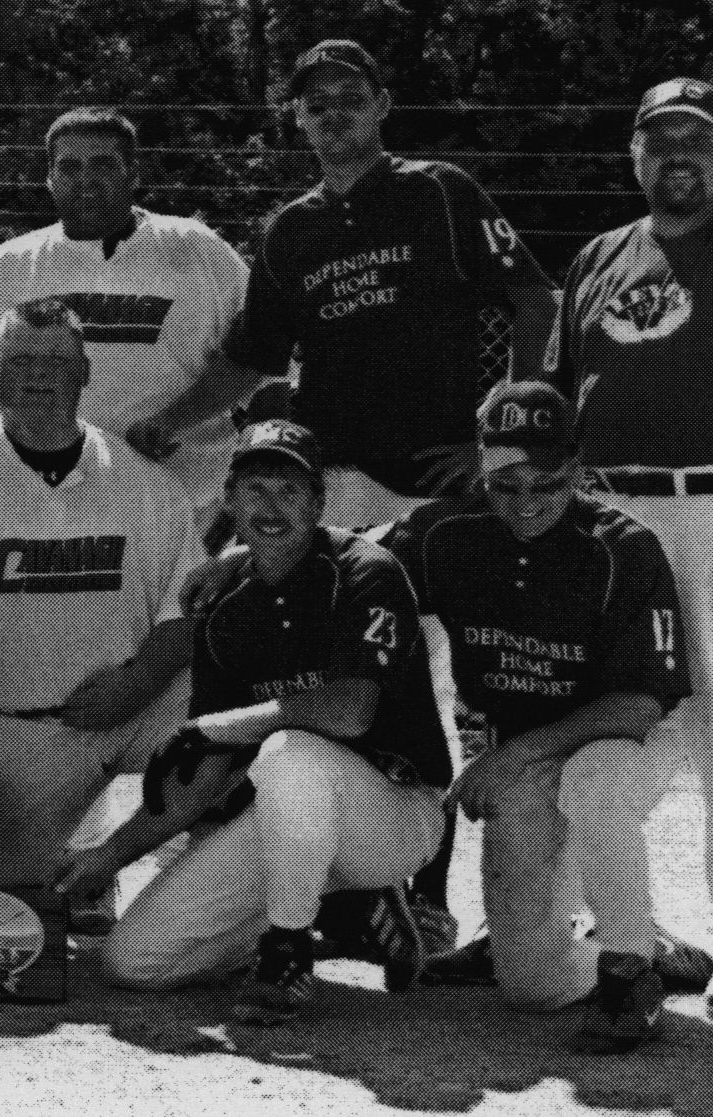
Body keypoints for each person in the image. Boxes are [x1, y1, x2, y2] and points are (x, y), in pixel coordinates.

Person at [220, 39, 560, 946]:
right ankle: (346, 896)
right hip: (327, 485)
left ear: (381, 104)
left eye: (348, 96)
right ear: (295, 118)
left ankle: (433, 898)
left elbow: (534, 301)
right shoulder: (288, 229)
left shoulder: (437, 191)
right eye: (314, 102)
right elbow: (254, 358)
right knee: (338, 685)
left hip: (425, 491)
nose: (332, 112)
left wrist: (497, 442)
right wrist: (158, 425)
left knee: (415, 691)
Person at [57, 420, 451, 1025]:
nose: (272, 507)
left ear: (319, 503)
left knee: (288, 753)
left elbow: (350, 709)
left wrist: (227, 726)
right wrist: (107, 858)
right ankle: (345, 907)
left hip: (394, 813)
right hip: (290, 820)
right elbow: (204, 776)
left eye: (290, 491)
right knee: (137, 962)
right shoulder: (224, 606)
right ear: (230, 499)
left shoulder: (364, 572)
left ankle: (287, 954)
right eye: (255, 489)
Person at [373, 380, 704, 1053]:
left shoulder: (621, 545)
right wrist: (231, 561)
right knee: (529, 987)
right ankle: (638, 939)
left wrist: (511, 754)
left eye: (545, 483)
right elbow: (351, 560)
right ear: (480, 466)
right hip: (524, 759)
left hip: (622, 738)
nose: (525, 502)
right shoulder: (448, 530)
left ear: (576, 470)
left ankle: (628, 968)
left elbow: (640, 703)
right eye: (506, 482)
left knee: (590, 784)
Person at [0, 297, 200, 926]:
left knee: (235, 718)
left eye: (56, 361)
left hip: (119, 714)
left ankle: (195, 901)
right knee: (11, 904)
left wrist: (140, 682)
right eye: (19, 360)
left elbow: (182, 610)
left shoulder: (146, 482)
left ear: (85, 373)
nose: (38, 375)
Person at [543, 75, 713, 1015]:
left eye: (697, 138)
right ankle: (609, 933)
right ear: (634, 155)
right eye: (661, 139)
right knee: (601, 708)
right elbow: (561, 391)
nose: (678, 153)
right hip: (611, 514)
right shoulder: (599, 257)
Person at [0, 108, 254, 515]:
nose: (85, 180)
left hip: (184, 509)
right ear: (50, 178)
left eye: (102, 165)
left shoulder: (197, 250)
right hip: (31, 515)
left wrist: (180, 422)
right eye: (69, 167)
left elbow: (259, 365)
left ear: (133, 174)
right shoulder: (2, 269)